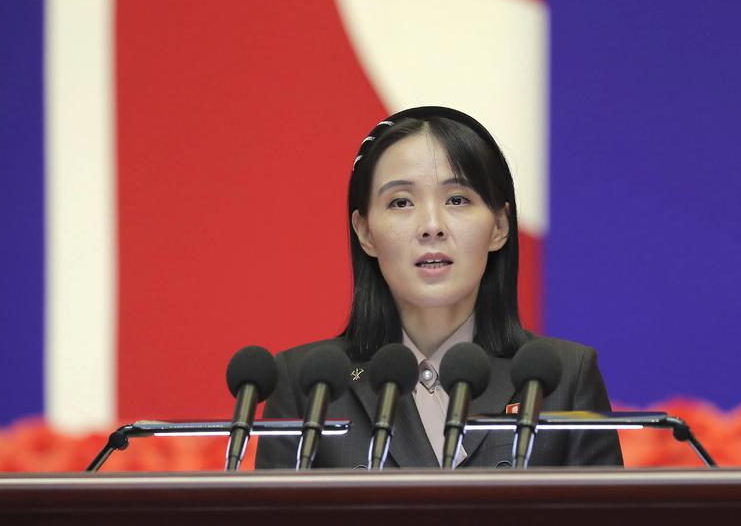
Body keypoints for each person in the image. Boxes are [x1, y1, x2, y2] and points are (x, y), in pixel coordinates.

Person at [255, 106, 623, 469]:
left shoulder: (564, 378)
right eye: (401, 202)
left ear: (499, 226)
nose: (432, 225)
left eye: (457, 199)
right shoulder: (309, 385)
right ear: (365, 232)